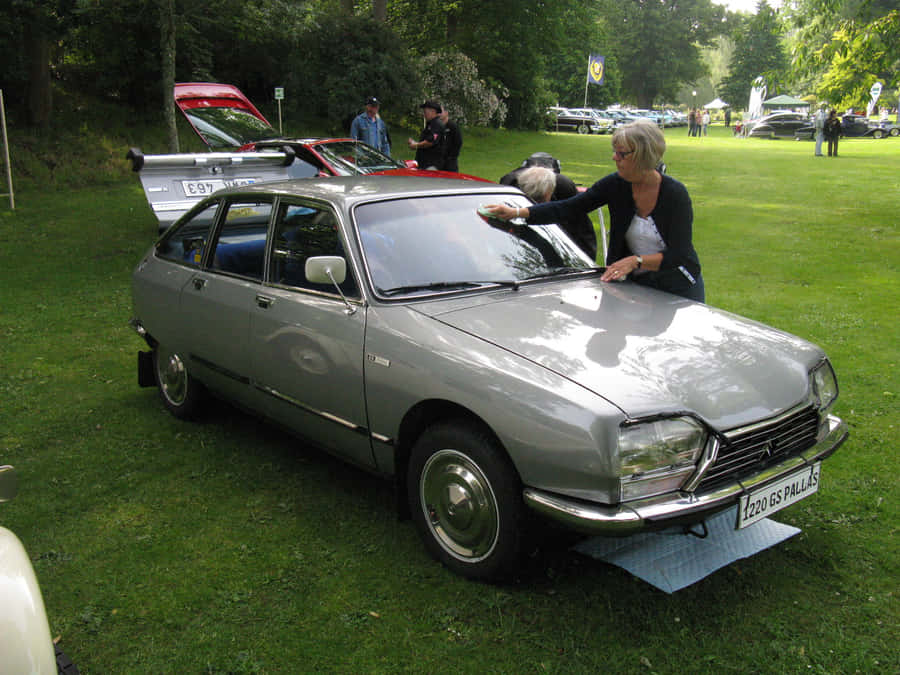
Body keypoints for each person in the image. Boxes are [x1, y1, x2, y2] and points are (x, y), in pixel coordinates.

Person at [484, 119, 704, 302]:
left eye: (621, 154)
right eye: (614, 152)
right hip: (634, 285)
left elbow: (679, 254)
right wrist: (518, 213)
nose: (614, 158)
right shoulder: (615, 184)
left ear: (642, 156)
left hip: (680, 284)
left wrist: (636, 261)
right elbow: (569, 208)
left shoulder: (675, 194)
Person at [499, 152, 597, 260]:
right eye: (533, 200)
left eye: (541, 200)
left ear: (550, 191)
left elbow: (583, 232)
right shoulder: (509, 186)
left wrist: (587, 263)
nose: (538, 205)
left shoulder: (564, 188)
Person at [407, 100, 445, 170]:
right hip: (424, 163)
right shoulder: (430, 124)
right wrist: (415, 143)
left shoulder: (436, 124)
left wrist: (416, 145)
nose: (424, 114)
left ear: (433, 111)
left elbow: (430, 142)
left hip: (431, 165)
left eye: (425, 112)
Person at [439, 106, 462, 172]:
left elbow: (458, 142)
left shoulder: (453, 126)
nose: (439, 114)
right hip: (439, 161)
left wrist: (452, 156)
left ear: (446, 113)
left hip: (450, 162)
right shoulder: (437, 126)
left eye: (441, 112)